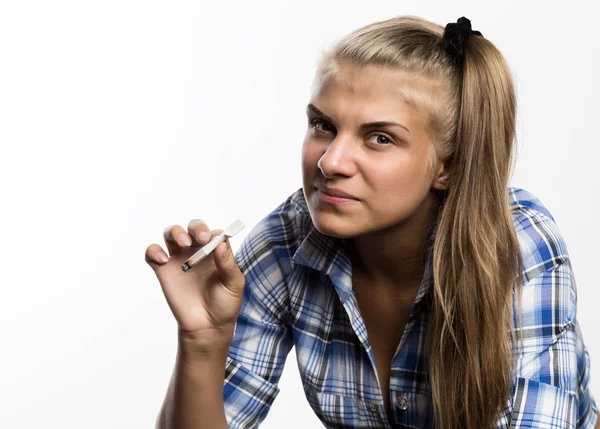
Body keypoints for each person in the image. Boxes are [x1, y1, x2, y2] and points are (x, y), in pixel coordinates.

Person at [146, 15, 599, 429]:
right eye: (323, 125)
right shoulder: (284, 243)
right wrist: (203, 340)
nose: (331, 161)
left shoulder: (518, 247)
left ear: (449, 165)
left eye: (379, 138)